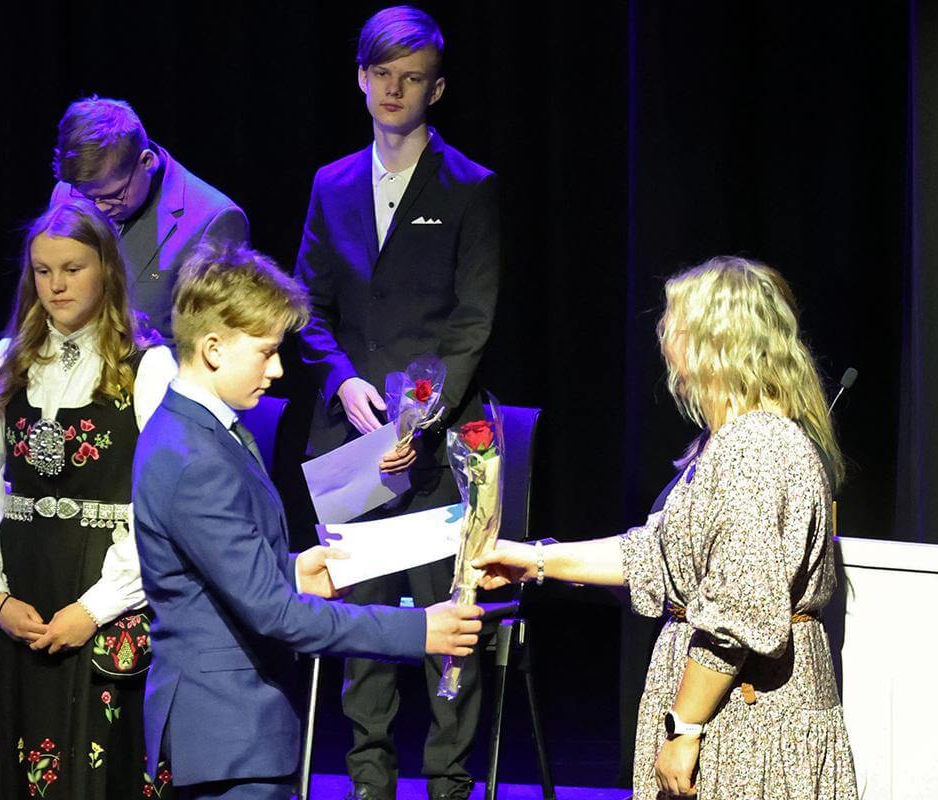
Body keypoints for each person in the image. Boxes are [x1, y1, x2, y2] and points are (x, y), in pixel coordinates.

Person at [474, 257, 859, 799]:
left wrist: (686, 725)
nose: (663, 335)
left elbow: (741, 609)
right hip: (736, 707)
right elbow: (657, 557)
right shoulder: (729, 442)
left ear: (714, 340)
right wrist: (536, 560)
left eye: (673, 321)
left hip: (748, 717)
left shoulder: (755, 446)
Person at [133, 241, 484, 800]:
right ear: (214, 348)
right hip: (226, 734)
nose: (277, 370)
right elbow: (276, 615)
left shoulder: (205, 432)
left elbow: (218, 570)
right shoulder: (194, 457)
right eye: (266, 352)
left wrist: (293, 570)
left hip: (238, 729)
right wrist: (419, 630)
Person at [293, 8, 500, 800]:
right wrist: (343, 380)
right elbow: (307, 306)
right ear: (360, 77)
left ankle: (448, 782)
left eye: (411, 78)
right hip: (355, 442)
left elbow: (473, 321)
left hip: (442, 446)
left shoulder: (472, 188)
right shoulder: (332, 184)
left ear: (435, 90)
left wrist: (421, 414)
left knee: (451, 623)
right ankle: (369, 781)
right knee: (366, 622)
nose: (394, 90)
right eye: (381, 74)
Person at [0, 199, 178, 799]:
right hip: (22, 589)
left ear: (106, 269)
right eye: (43, 271)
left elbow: (167, 507)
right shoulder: (8, 360)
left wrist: (96, 607)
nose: (56, 285)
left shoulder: (146, 366)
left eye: (72, 269)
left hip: (106, 591)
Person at [49, 96, 248, 340]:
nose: (98, 208)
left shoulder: (215, 220)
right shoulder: (66, 193)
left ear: (146, 162)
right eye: (87, 197)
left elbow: (214, 341)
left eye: (114, 195)